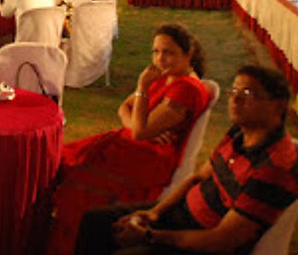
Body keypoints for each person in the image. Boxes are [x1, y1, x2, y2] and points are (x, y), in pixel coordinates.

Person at [75, 65, 297, 255]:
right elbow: (198, 177)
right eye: (234, 91)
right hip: (180, 214)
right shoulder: (239, 133)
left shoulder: (274, 168)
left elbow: (222, 240)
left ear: (278, 105)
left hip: (202, 240)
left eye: (249, 94)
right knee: (95, 221)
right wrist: (155, 212)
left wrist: (150, 236)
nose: (235, 100)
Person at [47, 24, 212, 255]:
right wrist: (137, 124)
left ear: (188, 54)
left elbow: (140, 132)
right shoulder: (165, 77)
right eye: (156, 51)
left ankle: (73, 243)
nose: (160, 58)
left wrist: (142, 87)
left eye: (168, 52)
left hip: (149, 157)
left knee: (75, 176)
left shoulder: (186, 89)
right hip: (132, 144)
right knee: (60, 160)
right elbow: (125, 108)